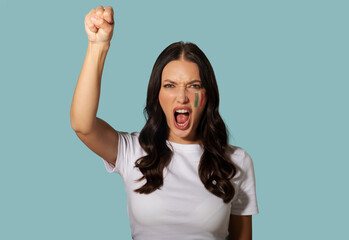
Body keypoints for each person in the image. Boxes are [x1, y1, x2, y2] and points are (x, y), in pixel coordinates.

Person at [70, 5, 258, 240]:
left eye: (194, 85)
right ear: (157, 96)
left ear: (207, 95)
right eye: (170, 86)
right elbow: (82, 124)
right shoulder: (133, 151)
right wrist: (98, 46)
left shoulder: (236, 162)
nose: (182, 96)